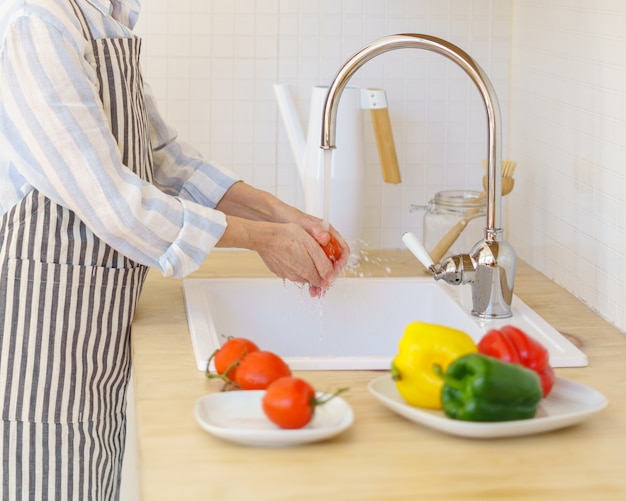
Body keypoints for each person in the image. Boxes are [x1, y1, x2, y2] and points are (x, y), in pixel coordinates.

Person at [0, 0, 349, 499]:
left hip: (95, 326)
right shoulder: (38, 24)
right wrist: (262, 240)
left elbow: (166, 160)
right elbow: (116, 204)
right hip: (38, 337)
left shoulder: (105, 17)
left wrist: (276, 213)